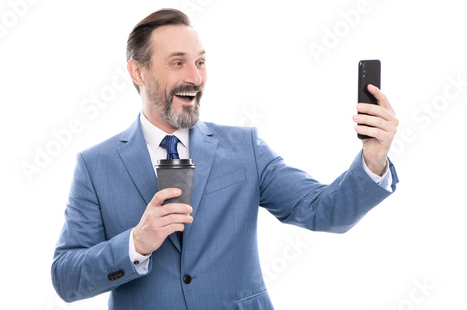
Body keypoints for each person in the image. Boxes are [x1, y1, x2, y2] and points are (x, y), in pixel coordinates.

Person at [51, 8, 399, 310]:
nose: (195, 77)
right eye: (178, 63)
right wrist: (136, 243)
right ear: (138, 72)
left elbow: (325, 211)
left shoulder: (244, 147)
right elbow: (66, 279)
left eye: (200, 62)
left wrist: (372, 158)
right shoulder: (95, 166)